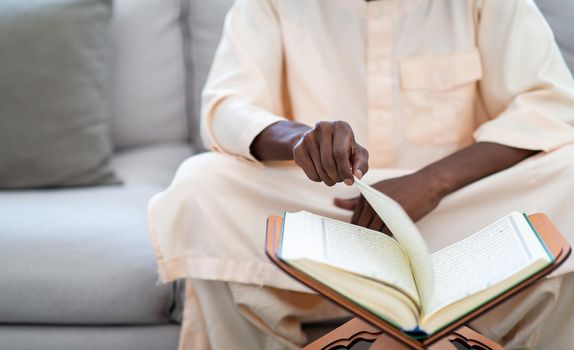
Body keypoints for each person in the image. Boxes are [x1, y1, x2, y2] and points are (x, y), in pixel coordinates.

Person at [148, 0, 574, 349]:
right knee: (202, 183)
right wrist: (300, 140)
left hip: (457, 217)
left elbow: (550, 106)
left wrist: (432, 182)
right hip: (329, 215)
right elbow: (226, 106)